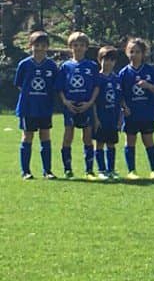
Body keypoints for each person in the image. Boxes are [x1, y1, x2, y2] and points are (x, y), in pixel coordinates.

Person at [15, 31, 59, 180]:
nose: (39, 48)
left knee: (45, 137)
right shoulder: (24, 64)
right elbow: (20, 85)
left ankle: (47, 171)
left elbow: (54, 86)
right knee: (27, 137)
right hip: (28, 107)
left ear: (47, 47)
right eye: (36, 45)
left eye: (43, 45)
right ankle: (25, 171)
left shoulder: (51, 66)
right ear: (30, 46)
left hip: (44, 108)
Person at [57, 31, 100, 179]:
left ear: (86, 47)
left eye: (82, 45)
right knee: (68, 136)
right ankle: (67, 169)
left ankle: (89, 170)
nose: (78, 48)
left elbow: (96, 86)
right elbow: (60, 88)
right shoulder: (65, 66)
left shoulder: (92, 66)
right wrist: (65, 101)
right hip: (70, 106)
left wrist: (90, 102)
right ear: (70, 47)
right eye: (75, 45)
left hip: (85, 106)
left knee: (87, 138)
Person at [119, 38, 154, 180]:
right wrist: (124, 107)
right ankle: (131, 171)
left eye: (137, 52)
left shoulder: (150, 71)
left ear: (143, 54)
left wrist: (148, 86)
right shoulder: (124, 73)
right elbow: (120, 94)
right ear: (127, 53)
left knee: (148, 140)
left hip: (146, 113)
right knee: (130, 141)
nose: (134, 54)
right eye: (131, 51)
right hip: (131, 114)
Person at [93, 46, 123, 180]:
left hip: (113, 117)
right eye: (105, 60)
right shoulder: (97, 78)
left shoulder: (117, 79)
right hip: (100, 116)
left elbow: (120, 99)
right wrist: (95, 118)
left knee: (111, 143)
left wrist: (120, 116)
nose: (108, 63)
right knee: (99, 143)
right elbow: (93, 100)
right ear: (100, 60)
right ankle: (101, 170)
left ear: (115, 62)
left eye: (111, 60)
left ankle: (111, 169)